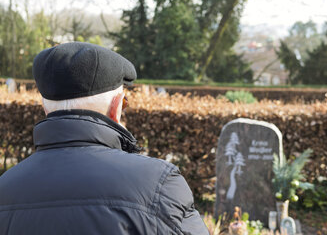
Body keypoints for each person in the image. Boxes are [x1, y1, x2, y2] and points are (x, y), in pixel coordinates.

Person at [0, 42, 208, 235]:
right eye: (124, 102)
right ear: (116, 106)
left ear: (45, 108)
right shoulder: (158, 184)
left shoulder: (5, 189)